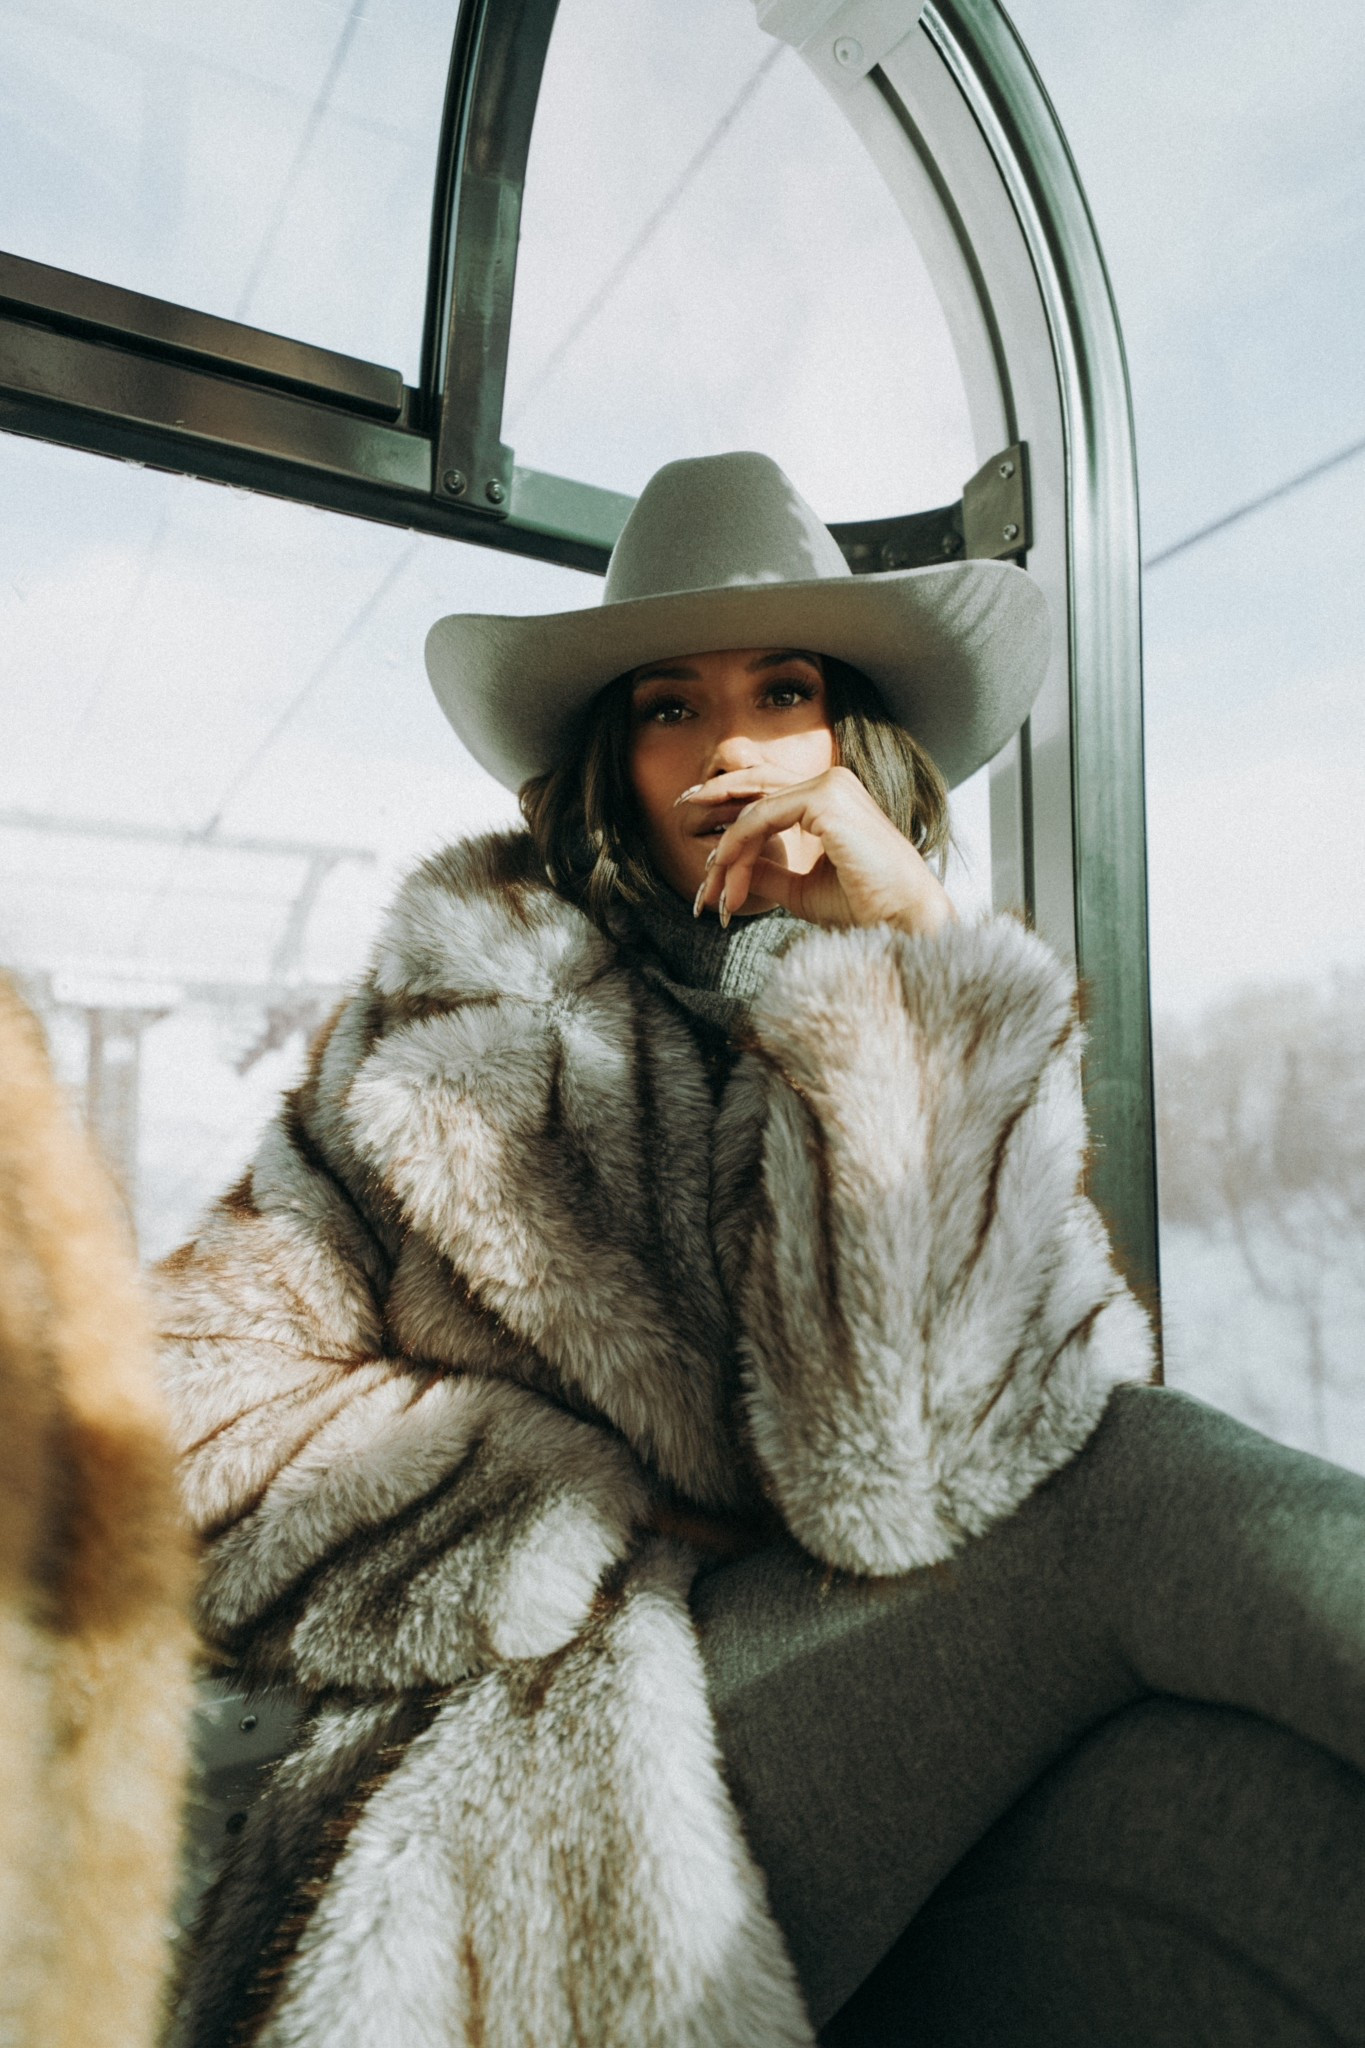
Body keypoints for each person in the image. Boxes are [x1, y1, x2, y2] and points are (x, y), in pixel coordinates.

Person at [159, 454, 1365, 2048]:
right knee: (1138, 1488)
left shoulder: (921, 1007)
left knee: (1262, 1818)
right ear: (614, 763)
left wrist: (910, 963)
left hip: (875, 1677)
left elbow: (913, 1473)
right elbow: (190, 1419)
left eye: (781, 692)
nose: (730, 746)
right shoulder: (445, 1041)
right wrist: (582, 1504)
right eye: (671, 706)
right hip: (563, 1731)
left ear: (848, 741)